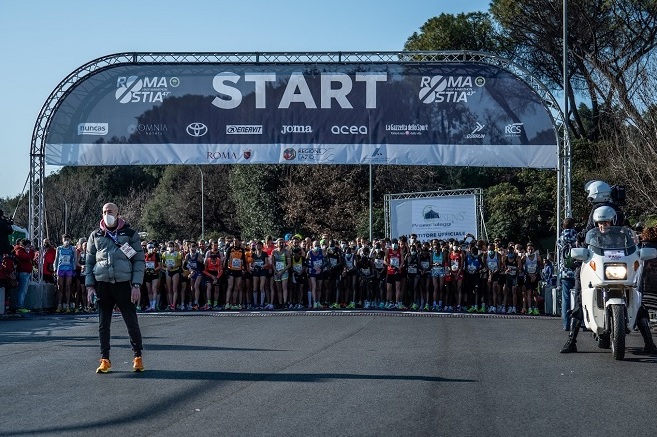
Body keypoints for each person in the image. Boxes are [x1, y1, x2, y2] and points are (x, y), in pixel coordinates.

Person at [561, 206, 657, 353]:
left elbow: (634, 249)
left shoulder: (622, 236)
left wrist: (639, 253)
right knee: (580, 303)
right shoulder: (591, 236)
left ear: (612, 222)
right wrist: (578, 257)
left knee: (639, 304)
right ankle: (571, 341)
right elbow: (581, 251)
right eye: (600, 222)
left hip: (618, 271)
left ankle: (649, 344)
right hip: (596, 272)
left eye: (606, 222)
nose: (603, 225)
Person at [86, 202, 145, 373]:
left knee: (131, 322)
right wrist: (90, 286)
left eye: (110, 211)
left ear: (118, 213)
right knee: (103, 325)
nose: (107, 214)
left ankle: (137, 357)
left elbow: (138, 261)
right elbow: (89, 263)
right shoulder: (95, 235)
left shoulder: (129, 234)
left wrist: (136, 285)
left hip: (123, 284)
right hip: (103, 284)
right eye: (104, 211)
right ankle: (105, 359)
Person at [557, 218, 578, 330]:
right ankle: (579, 322)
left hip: (565, 271)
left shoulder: (560, 239)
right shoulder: (577, 237)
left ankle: (566, 324)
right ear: (573, 225)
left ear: (563, 226)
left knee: (566, 298)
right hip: (577, 270)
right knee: (579, 297)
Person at [54, 234, 77, 313]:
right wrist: (55, 269)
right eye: (65, 239)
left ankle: (67, 305)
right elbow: (56, 259)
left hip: (69, 269)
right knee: (60, 287)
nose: (66, 241)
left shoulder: (73, 248)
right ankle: (59, 305)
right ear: (62, 240)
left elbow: (75, 259)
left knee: (68, 287)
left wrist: (74, 269)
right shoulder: (59, 248)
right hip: (61, 269)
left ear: (70, 240)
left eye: (68, 239)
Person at [13, 239, 35, 314]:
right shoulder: (19, 250)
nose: (29, 247)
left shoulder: (22, 251)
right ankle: (19, 306)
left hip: (26, 272)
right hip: (23, 272)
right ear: (24, 245)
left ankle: (21, 305)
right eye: (28, 246)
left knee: (24, 290)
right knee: (22, 290)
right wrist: (31, 251)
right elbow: (27, 257)